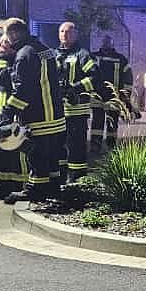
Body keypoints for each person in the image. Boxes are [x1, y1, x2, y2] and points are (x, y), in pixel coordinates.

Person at [0, 18, 64, 202]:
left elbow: (23, 90)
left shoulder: (24, 54)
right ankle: (52, 187)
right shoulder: (44, 49)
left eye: (7, 34)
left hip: (38, 115)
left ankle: (35, 190)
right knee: (52, 155)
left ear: (14, 34)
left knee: (36, 155)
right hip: (55, 114)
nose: (6, 39)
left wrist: (7, 112)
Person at [0, 34, 26, 199]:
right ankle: (4, 187)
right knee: (2, 154)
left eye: (5, 43)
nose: (0, 45)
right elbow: (3, 87)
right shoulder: (9, 62)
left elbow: (5, 78)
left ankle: (19, 188)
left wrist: (0, 58)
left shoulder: (12, 63)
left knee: (15, 155)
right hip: (2, 116)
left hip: (14, 116)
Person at [57, 21, 96, 182]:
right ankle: (59, 178)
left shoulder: (82, 54)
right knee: (58, 146)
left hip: (77, 111)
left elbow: (95, 77)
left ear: (75, 34)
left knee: (76, 146)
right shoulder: (54, 54)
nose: (65, 34)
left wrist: (75, 88)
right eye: (62, 31)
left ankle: (77, 179)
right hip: (57, 112)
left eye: (68, 32)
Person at [90, 35, 132, 152]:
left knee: (112, 122)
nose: (106, 44)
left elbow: (128, 78)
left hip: (114, 96)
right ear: (101, 43)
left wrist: (125, 95)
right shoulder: (93, 57)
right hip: (97, 95)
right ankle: (95, 144)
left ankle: (111, 145)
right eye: (104, 42)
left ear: (112, 44)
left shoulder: (121, 59)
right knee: (97, 121)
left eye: (108, 42)